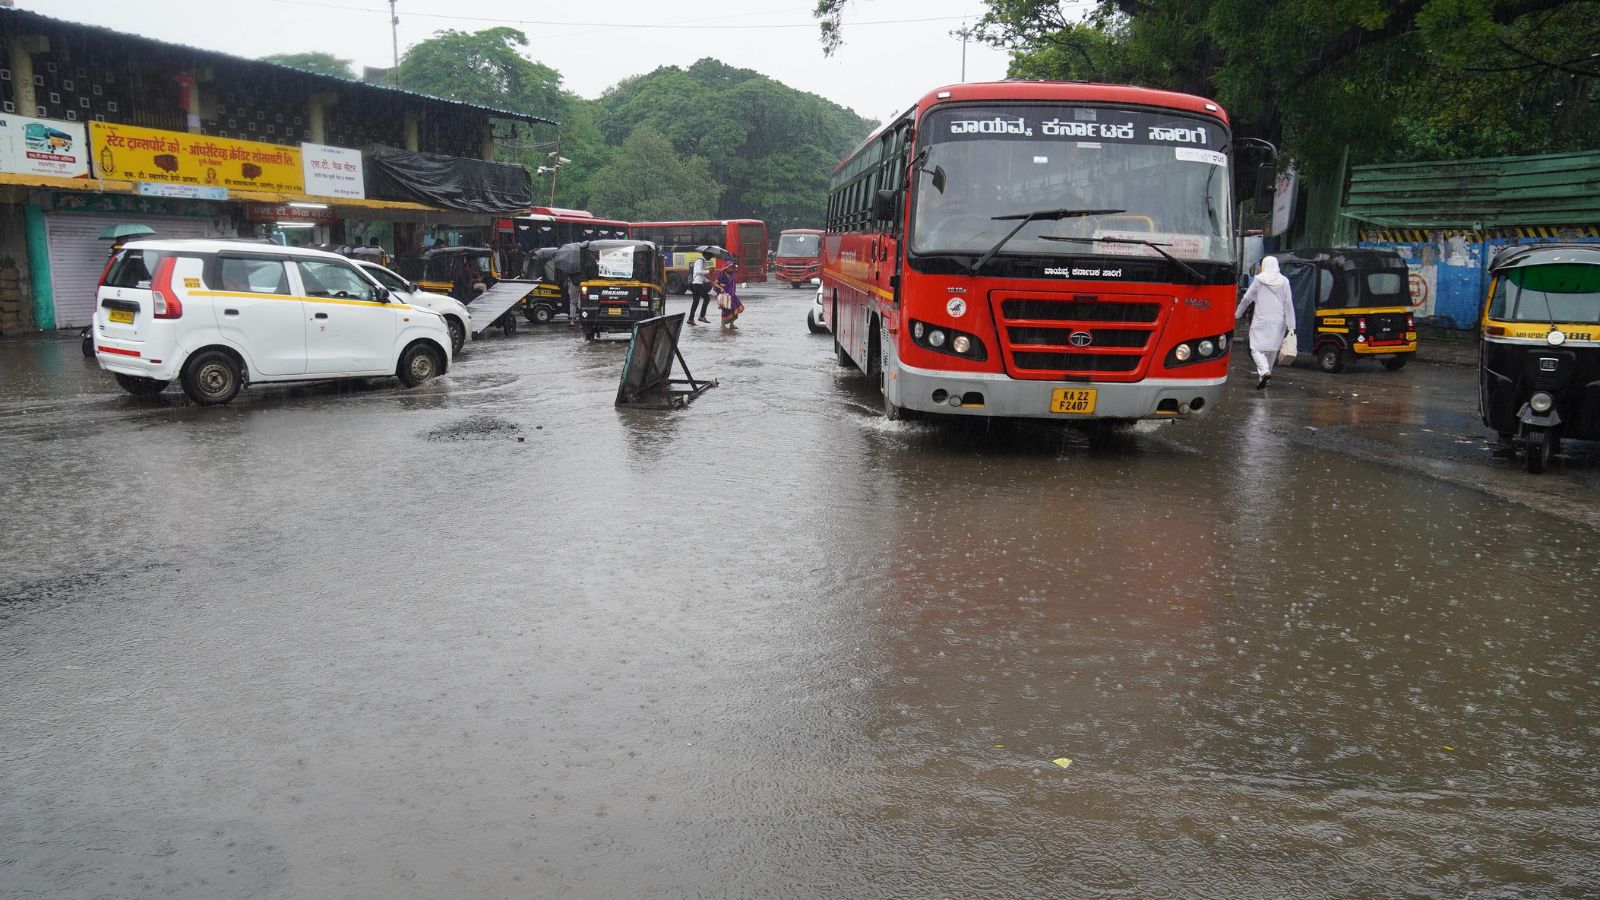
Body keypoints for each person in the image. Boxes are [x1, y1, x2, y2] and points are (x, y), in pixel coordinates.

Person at [1236, 255, 1295, 389]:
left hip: (1262, 319)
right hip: (1278, 321)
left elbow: (1247, 298)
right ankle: (1265, 378)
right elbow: (1288, 304)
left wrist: (1238, 313)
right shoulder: (1284, 281)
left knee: (1255, 348)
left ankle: (1264, 372)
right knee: (1272, 350)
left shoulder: (1259, 280)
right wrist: (1291, 325)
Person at [715, 262, 745, 329]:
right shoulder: (721, 274)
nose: (731, 269)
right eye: (730, 267)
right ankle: (722, 325)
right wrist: (721, 288)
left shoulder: (732, 274)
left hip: (732, 295)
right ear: (726, 268)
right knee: (725, 310)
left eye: (732, 268)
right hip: (724, 295)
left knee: (736, 308)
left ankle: (732, 324)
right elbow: (715, 283)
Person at [687, 251, 714, 324]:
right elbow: (699, 271)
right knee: (707, 298)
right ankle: (702, 316)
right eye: (710, 256)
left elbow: (700, 275)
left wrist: (708, 281)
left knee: (695, 302)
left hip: (696, 284)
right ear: (706, 255)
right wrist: (708, 270)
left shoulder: (702, 262)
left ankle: (690, 319)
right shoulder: (700, 261)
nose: (710, 257)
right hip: (697, 284)